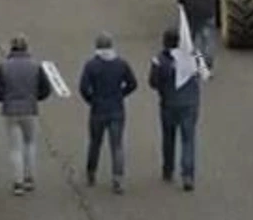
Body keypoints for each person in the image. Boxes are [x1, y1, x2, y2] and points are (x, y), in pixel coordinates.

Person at [0, 35, 52, 196]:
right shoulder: (35, 66)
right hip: (30, 109)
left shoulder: (3, 66)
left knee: (15, 148)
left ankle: (18, 182)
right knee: (30, 144)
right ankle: (29, 177)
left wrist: (6, 98)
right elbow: (45, 89)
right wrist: (34, 97)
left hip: (10, 110)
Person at [77, 34, 137, 193]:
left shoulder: (91, 65)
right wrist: (121, 94)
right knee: (116, 145)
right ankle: (118, 179)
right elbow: (132, 83)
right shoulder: (121, 64)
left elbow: (83, 87)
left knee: (95, 143)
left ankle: (91, 172)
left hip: (98, 109)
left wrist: (91, 100)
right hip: (116, 108)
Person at [149, 28, 201, 191]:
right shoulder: (192, 57)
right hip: (190, 104)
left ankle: (168, 169)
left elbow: (153, 82)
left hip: (169, 104)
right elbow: (201, 73)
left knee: (168, 138)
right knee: (188, 140)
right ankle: (187, 175)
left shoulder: (159, 60)